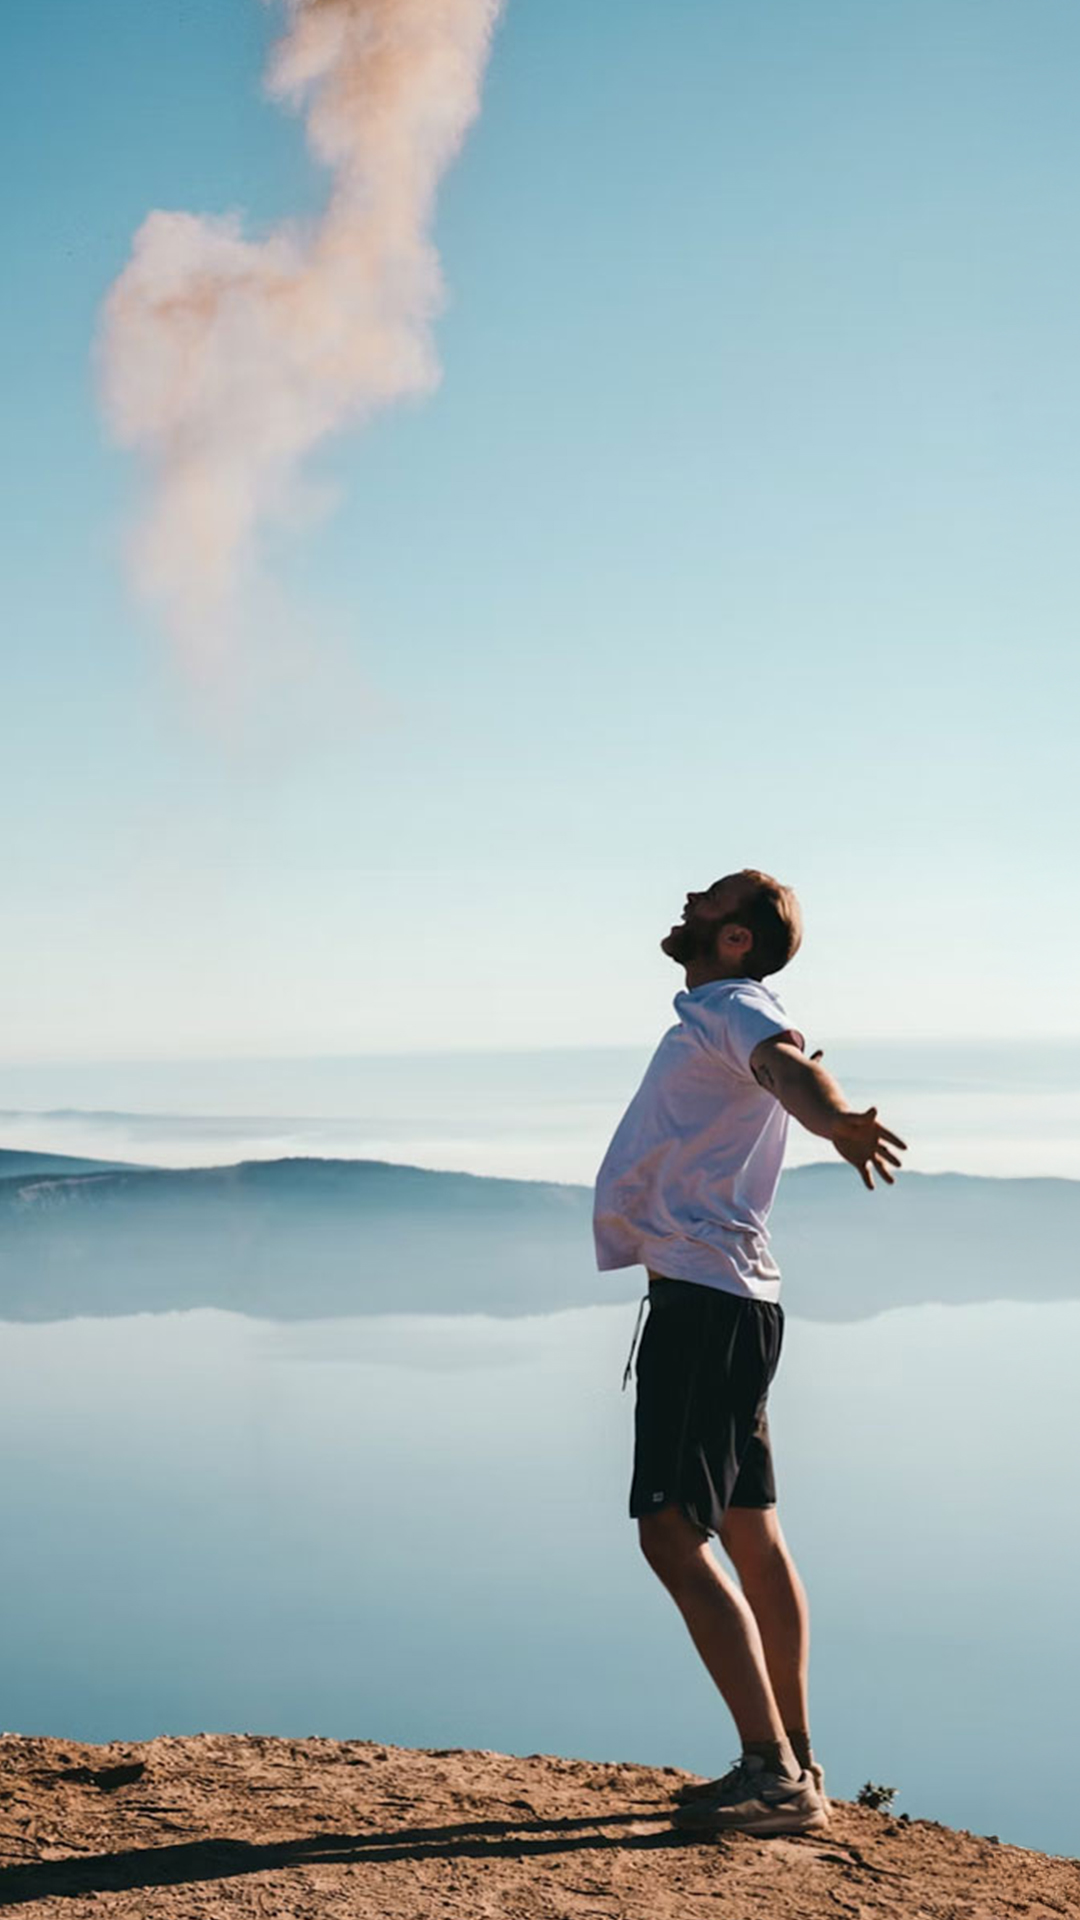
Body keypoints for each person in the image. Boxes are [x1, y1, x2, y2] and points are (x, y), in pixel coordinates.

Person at [592, 869, 906, 1837]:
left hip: (703, 1301)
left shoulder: (735, 1005)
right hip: (729, 1298)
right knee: (747, 1526)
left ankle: (773, 1778)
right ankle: (794, 1758)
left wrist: (833, 1119)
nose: (686, 900)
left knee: (670, 1532)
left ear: (735, 940)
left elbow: (788, 1067)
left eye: (709, 900)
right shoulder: (720, 1008)